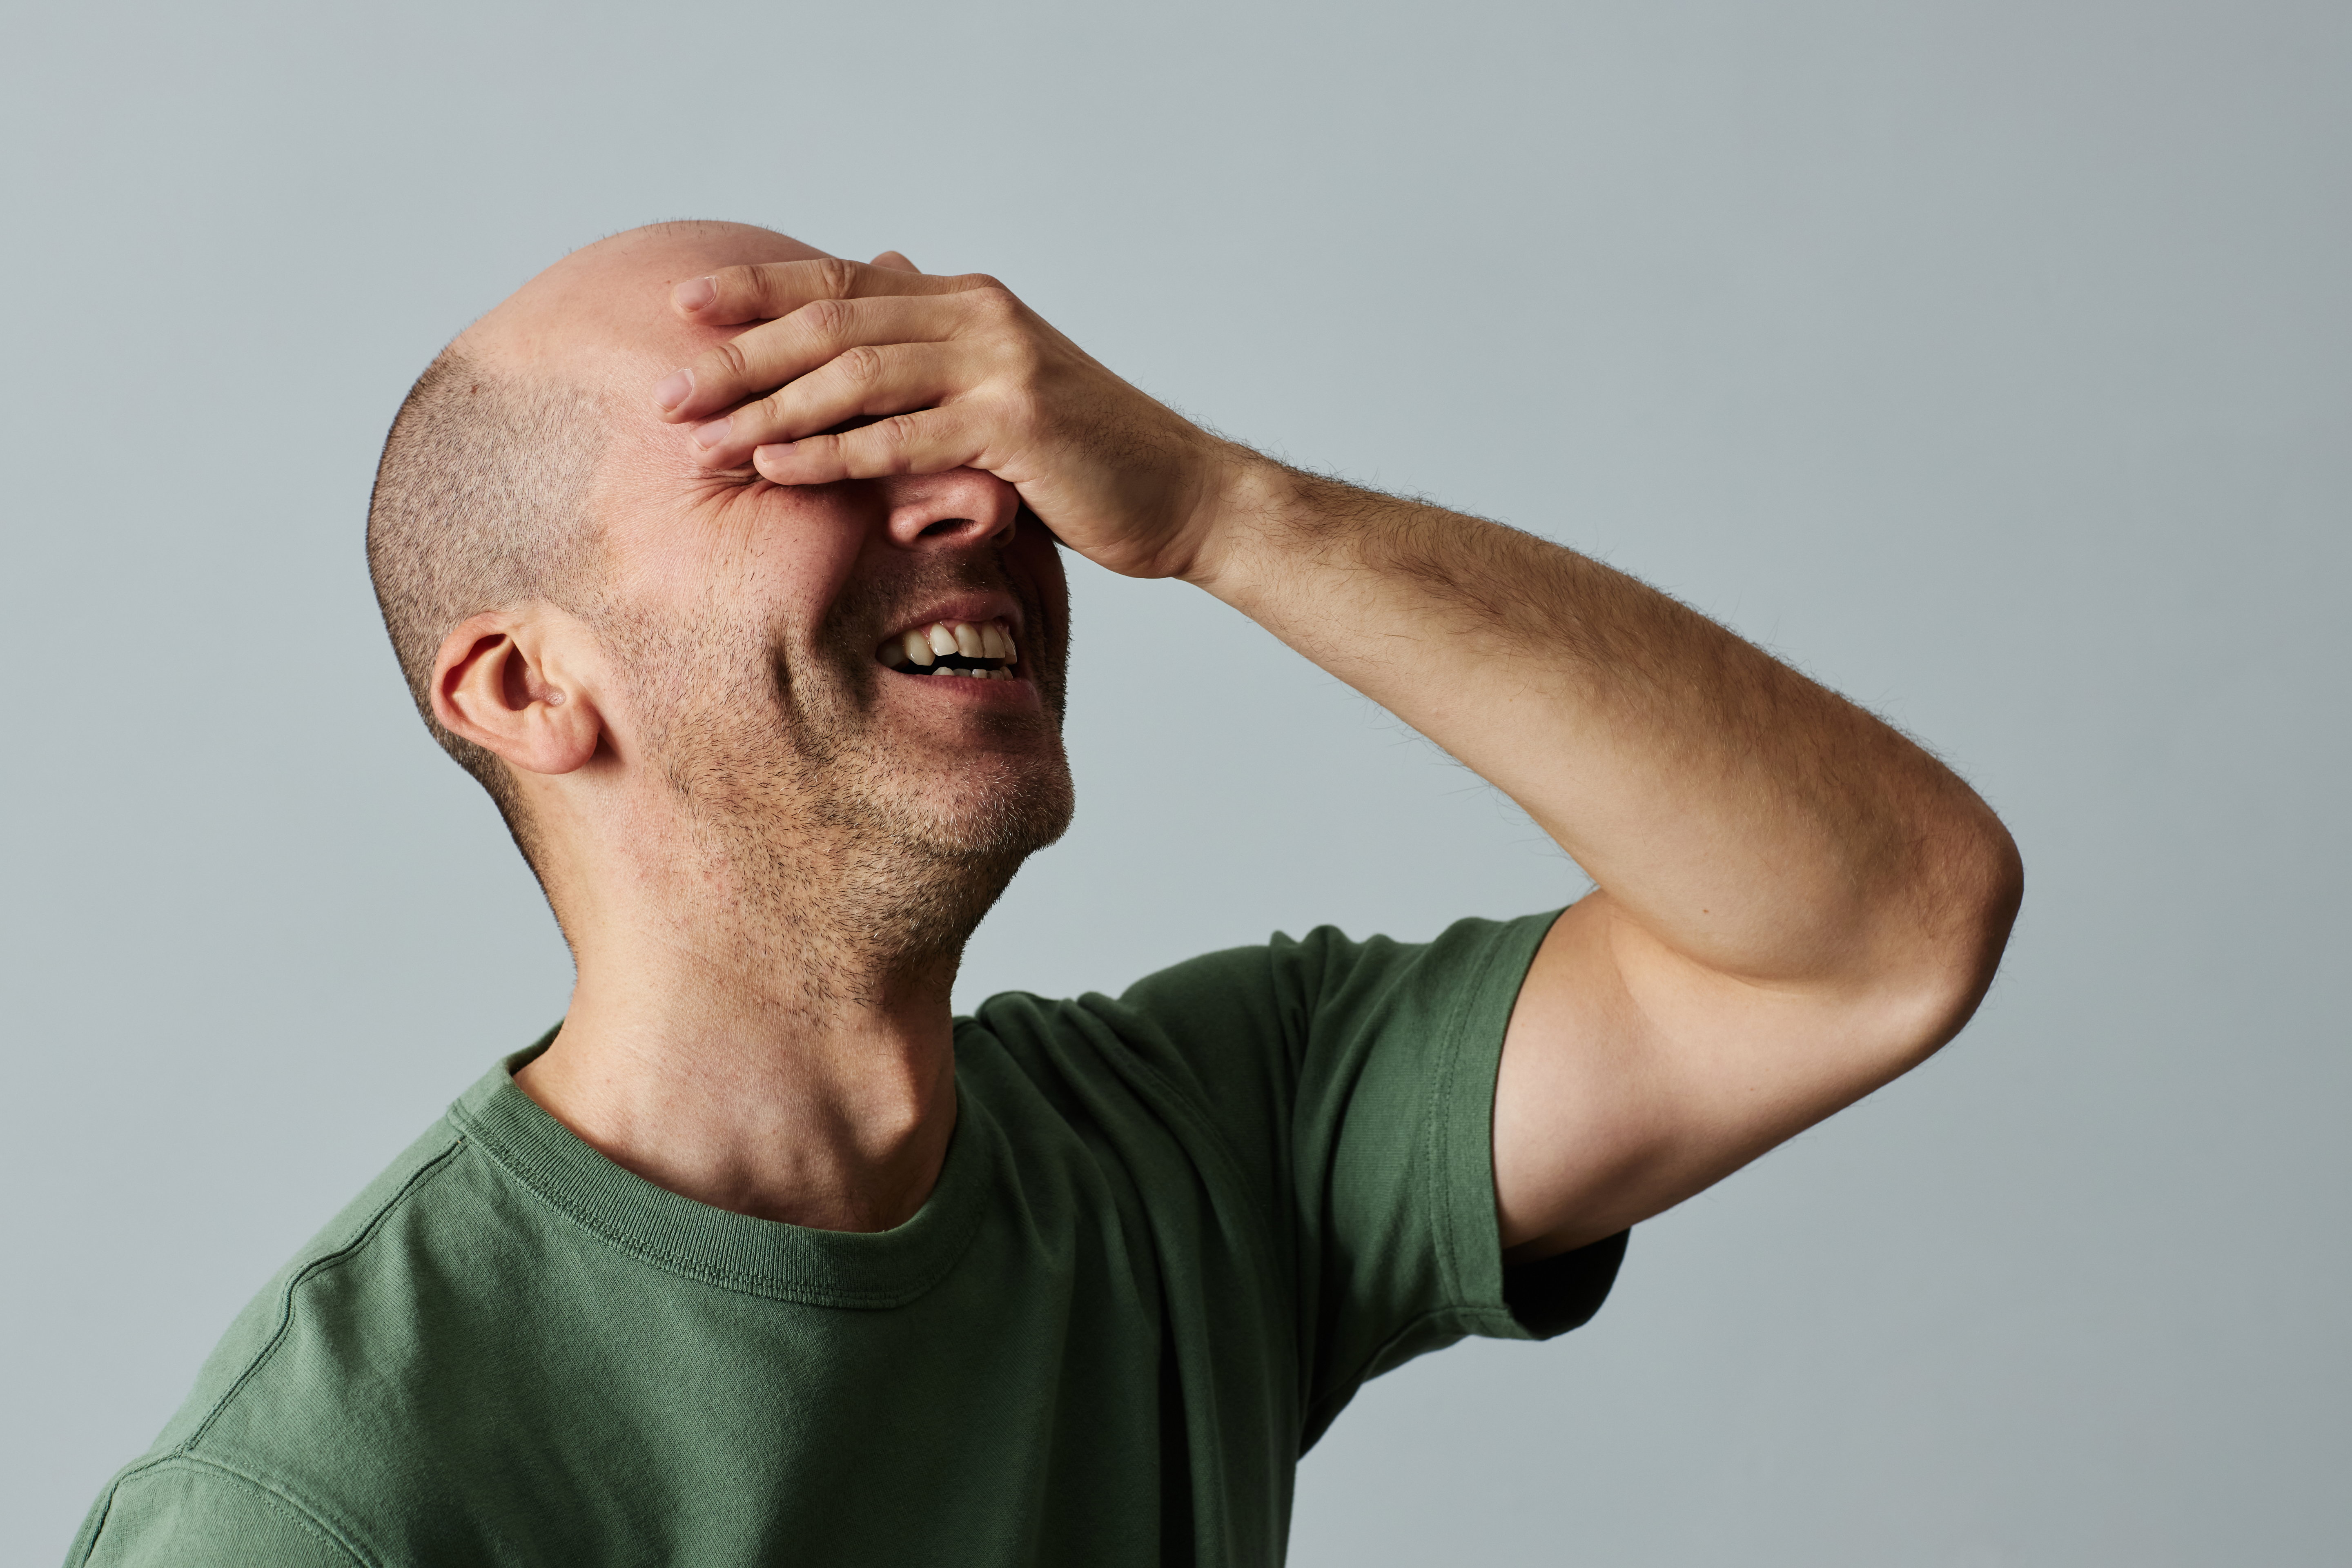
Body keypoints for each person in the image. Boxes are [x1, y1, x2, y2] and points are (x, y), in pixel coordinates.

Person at [65, 220, 2022, 1566]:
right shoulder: (313, 1500)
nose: (975, 492)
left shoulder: (1211, 1136)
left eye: (929, 411)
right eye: (807, 433)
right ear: (528, 688)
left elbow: (1885, 925)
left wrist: (1218, 509)